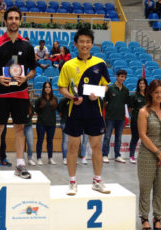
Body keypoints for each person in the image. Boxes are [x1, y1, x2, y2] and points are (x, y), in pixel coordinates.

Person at [0, 7, 36, 179]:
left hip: (21, 93)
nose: (13, 21)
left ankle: (20, 164)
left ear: (20, 21)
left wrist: (26, 77)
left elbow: (33, 70)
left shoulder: (28, 46)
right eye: (10, 18)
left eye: (16, 18)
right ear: (5, 21)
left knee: (20, 128)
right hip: (0, 93)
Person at [57, 28, 111, 195]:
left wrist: (99, 95)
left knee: (96, 146)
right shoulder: (68, 65)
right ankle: (72, 182)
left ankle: (97, 181)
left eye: (88, 42)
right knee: (73, 147)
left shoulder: (100, 63)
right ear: (76, 43)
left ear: (92, 44)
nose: (85, 45)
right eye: (82, 41)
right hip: (75, 111)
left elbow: (106, 85)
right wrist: (72, 97)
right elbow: (61, 88)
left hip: (94, 111)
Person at [137, 79, 161, 230]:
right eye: (156, 92)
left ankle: (157, 218)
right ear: (150, 93)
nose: (159, 95)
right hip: (147, 154)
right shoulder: (143, 112)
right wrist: (157, 152)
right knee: (145, 188)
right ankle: (144, 217)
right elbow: (143, 135)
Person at [102, 69, 129, 164]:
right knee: (107, 136)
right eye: (121, 76)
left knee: (118, 137)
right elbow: (104, 103)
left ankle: (117, 155)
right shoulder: (110, 88)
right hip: (110, 117)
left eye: (124, 77)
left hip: (121, 118)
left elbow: (126, 104)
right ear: (117, 77)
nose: (123, 78)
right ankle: (105, 155)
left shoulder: (126, 90)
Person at [35, 82, 58, 165]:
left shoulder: (55, 99)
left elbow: (56, 110)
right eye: (46, 87)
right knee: (40, 141)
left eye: (49, 87)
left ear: (51, 88)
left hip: (51, 123)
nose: (47, 88)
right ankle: (39, 158)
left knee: (50, 141)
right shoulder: (39, 99)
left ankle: (50, 158)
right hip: (41, 123)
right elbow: (36, 110)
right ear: (43, 89)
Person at [128, 77, 148, 164]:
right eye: (140, 83)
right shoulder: (134, 96)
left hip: (147, 121)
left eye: (143, 83)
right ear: (138, 85)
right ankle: (132, 156)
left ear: (146, 85)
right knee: (135, 138)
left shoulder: (149, 96)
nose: (142, 85)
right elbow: (130, 109)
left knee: (146, 139)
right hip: (136, 120)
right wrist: (137, 116)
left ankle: (145, 156)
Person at [58, 97, 69, 165]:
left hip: (74, 123)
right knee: (65, 140)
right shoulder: (63, 100)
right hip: (65, 122)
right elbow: (60, 112)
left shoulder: (77, 99)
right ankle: (65, 157)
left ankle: (72, 157)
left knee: (73, 141)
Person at [24, 100, 35, 166]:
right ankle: (20, 160)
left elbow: (32, 114)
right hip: (20, 126)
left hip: (28, 125)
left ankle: (29, 159)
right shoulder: (17, 103)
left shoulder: (30, 105)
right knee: (20, 144)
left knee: (30, 144)